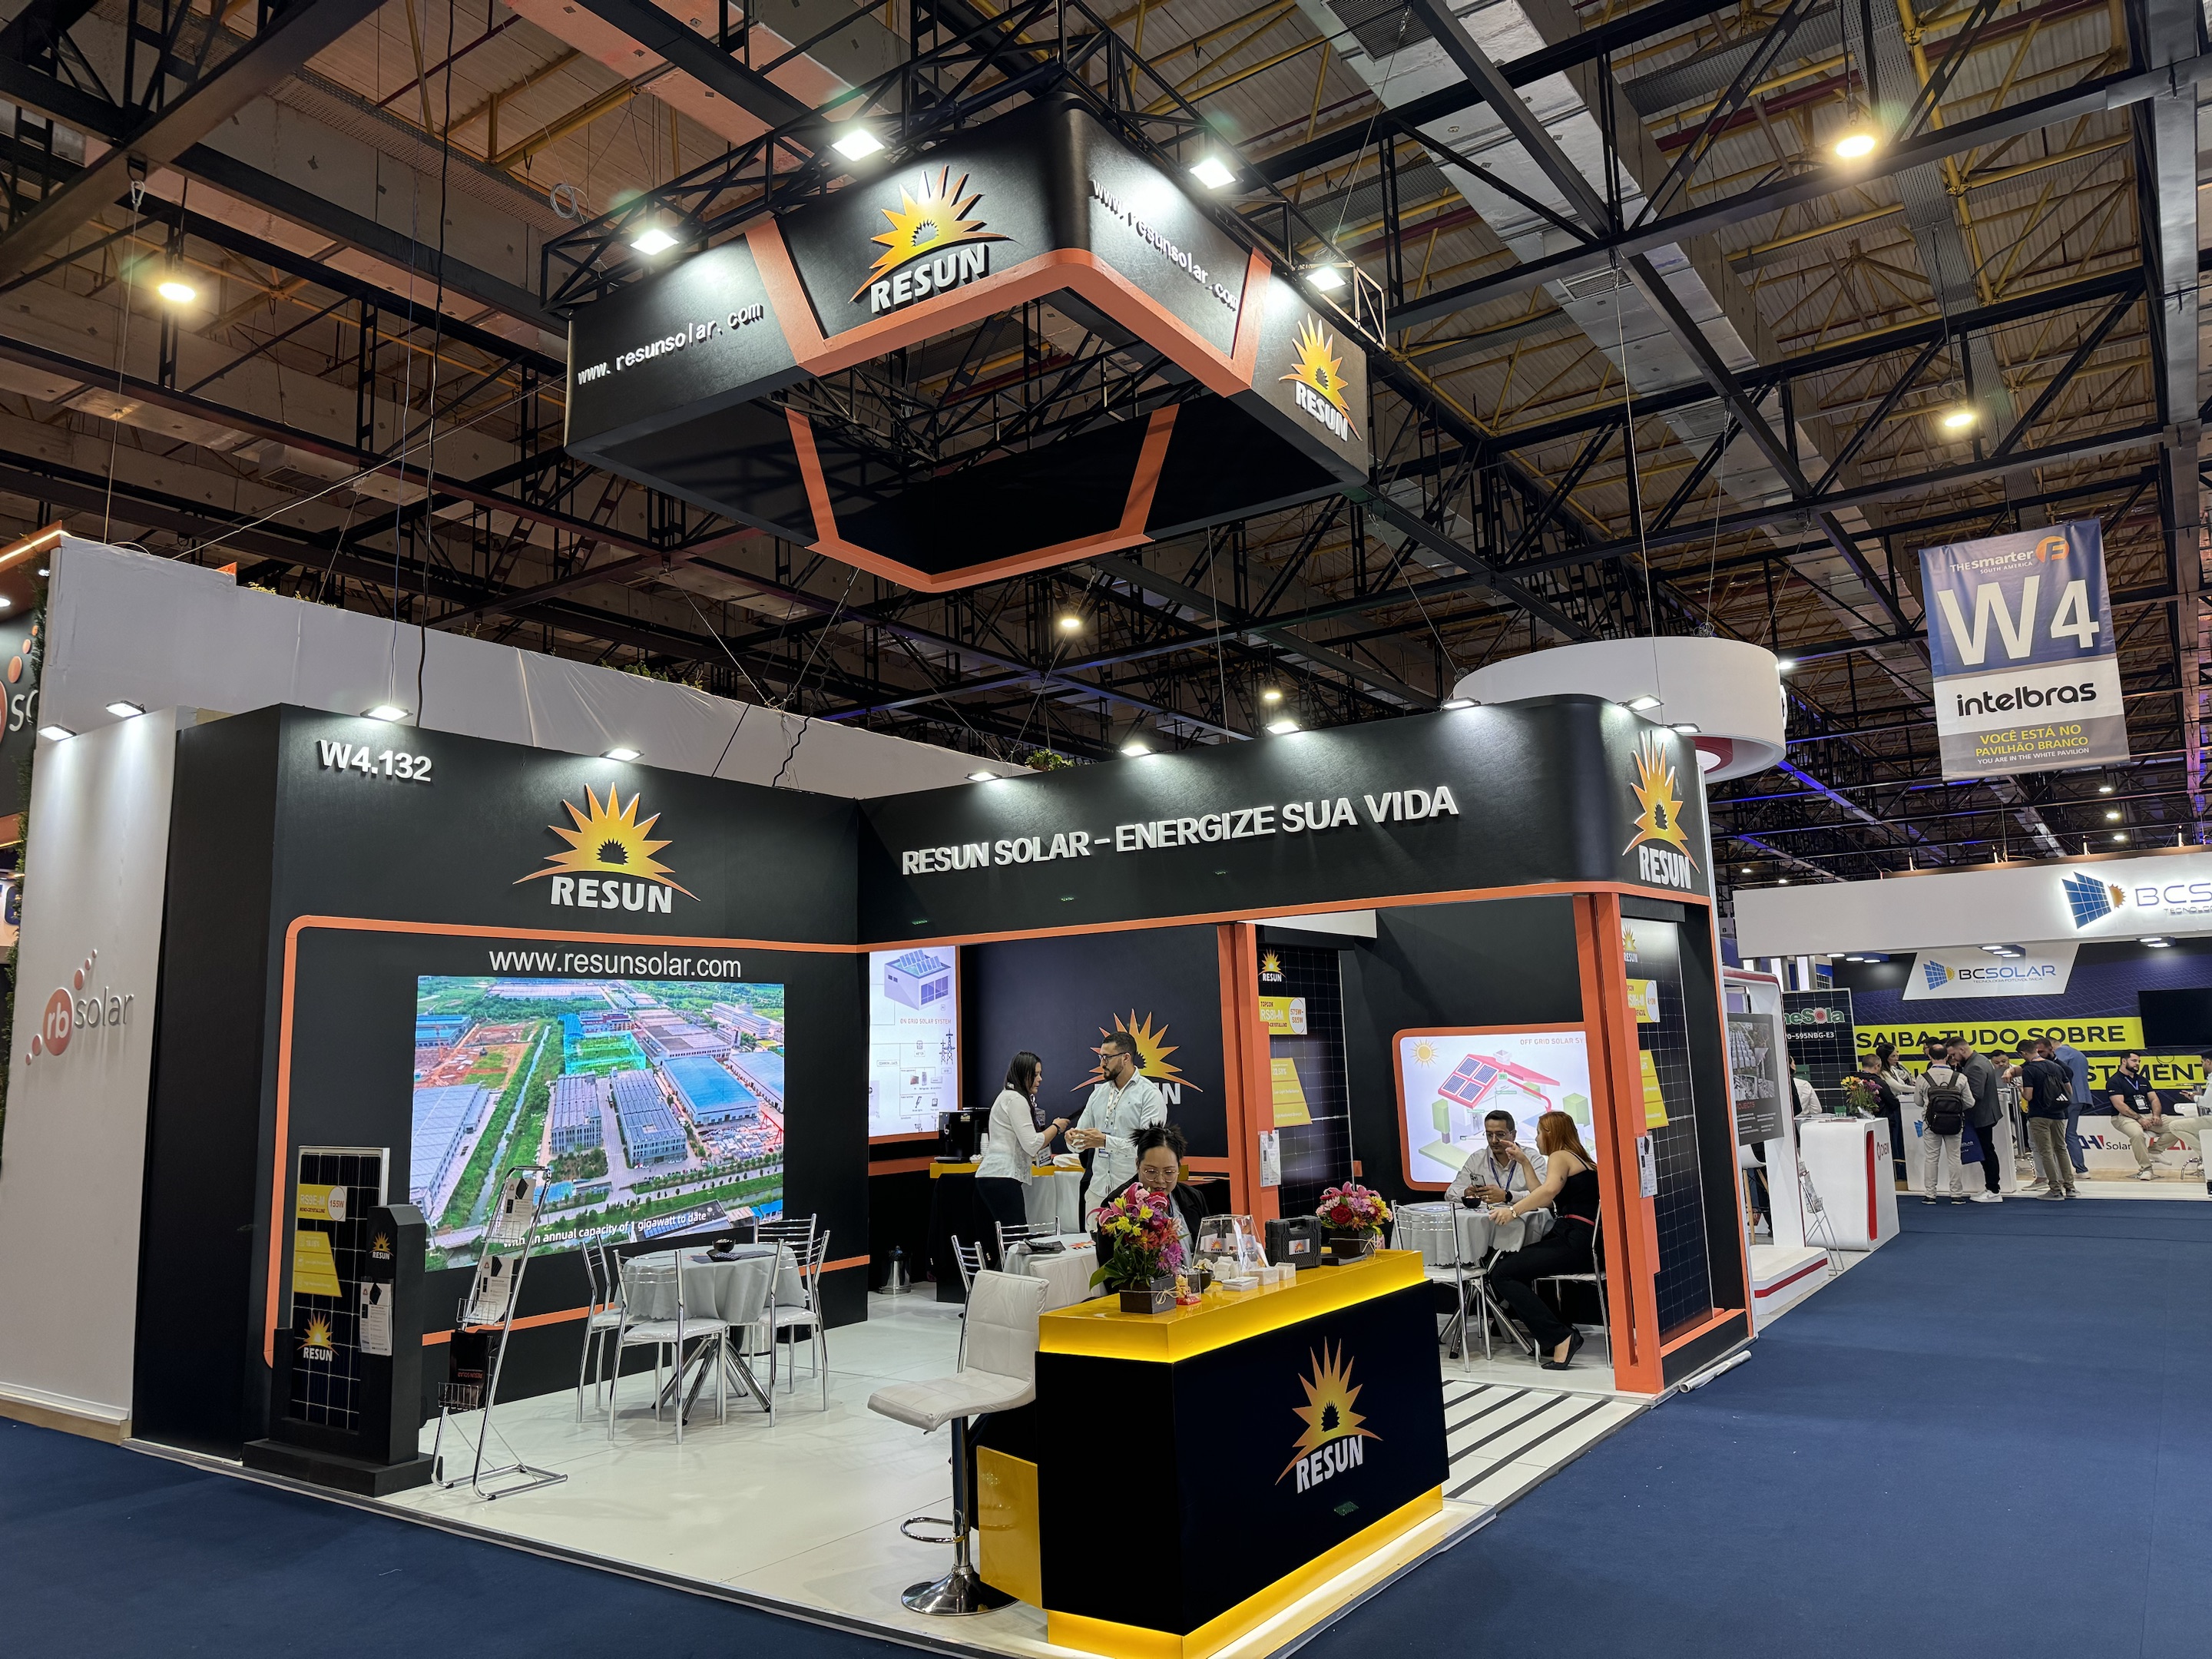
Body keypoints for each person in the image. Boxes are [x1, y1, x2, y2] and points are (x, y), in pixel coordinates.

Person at [1485, 1111, 1601, 1372]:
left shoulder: (1560, 1156)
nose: (1536, 1139)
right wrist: (1525, 1162)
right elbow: (1546, 1195)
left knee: (1502, 1273)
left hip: (1574, 1240)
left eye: (1538, 1133)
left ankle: (1561, 1337)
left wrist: (1513, 1211)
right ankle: (1558, 1332)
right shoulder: (1581, 1159)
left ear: (1550, 1133)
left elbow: (1548, 1192)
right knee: (1514, 1268)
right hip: (1582, 1240)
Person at [975, 1051, 1069, 1264]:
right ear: (1022, 1074)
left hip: (989, 1178)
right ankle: (1015, 1284)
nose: (1040, 1079)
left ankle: (995, 1282)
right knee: (1015, 1245)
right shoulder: (1016, 1100)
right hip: (1002, 1178)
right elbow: (1032, 1144)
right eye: (1035, 1074)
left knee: (999, 1247)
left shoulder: (1005, 1097)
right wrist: (1056, 1127)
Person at [1068, 1030, 1167, 1217]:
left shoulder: (1149, 1095)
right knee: (1093, 1238)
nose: (1101, 1063)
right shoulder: (1098, 1094)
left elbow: (1149, 1150)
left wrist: (1106, 1142)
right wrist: (1072, 1139)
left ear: (1126, 1058)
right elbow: (1079, 1143)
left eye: (1107, 1057)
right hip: (1097, 1193)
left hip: (1134, 1196)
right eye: (1100, 1057)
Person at [1096, 1123, 1208, 1261]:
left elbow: (1209, 1253)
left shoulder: (1194, 1197)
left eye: (1169, 1172)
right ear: (1138, 1164)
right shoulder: (1117, 1205)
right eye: (1151, 1172)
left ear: (1178, 1168)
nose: (1160, 1180)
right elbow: (1109, 1266)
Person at [2013, 1038, 2078, 1200]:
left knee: (2046, 1152)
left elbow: (2028, 1096)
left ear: (2023, 1054)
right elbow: (2069, 1090)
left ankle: (2055, 1190)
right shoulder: (2056, 1066)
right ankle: (2070, 1187)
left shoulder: (2029, 1070)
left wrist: (2020, 1088)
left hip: (2039, 1115)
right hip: (2059, 1114)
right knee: (2061, 1149)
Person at [1945, 1037, 2006, 1202]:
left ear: (1962, 1050)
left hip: (1981, 1116)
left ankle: (1993, 1189)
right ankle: (1992, 1188)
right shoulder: (1979, 1060)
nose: (1952, 1058)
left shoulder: (1975, 1066)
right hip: (1985, 1114)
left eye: (1953, 1054)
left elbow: (1975, 1095)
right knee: (1987, 1151)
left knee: (1987, 1152)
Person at [1445, 1110, 1547, 1207]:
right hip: (1488, 1217)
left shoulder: (1532, 1158)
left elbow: (1543, 1195)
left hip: (1523, 1217)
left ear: (1513, 1135)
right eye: (1489, 1135)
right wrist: (1466, 1193)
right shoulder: (1477, 1159)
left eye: (1500, 1135)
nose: (1494, 1140)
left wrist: (1508, 1196)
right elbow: (1450, 1193)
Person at [1917, 1050, 1972, 1205]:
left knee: (1931, 1158)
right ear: (1947, 1056)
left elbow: (1918, 1102)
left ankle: (1930, 1195)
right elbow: (1970, 1102)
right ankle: (1956, 1195)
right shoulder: (1960, 1077)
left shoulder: (1923, 1078)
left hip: (1931, 1123)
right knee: (1955, 1158)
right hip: (1955, 1123)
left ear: (1930, 1056)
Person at [2104, 1051, 2162, 1181]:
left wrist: (2156, 1115)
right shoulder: (2114, 1081)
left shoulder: (2142, 1080)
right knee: (2137, 1134)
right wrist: (2140, 1119)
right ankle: (2146, 1169)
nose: (2137, 1064)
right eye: (2134, 1061)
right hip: (2124, 1117)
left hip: (2147, 1114)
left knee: (2175, 1126)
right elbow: (2119, 1105)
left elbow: (2154, 1099)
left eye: (2139, 1062)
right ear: (2124, 1061)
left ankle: (2154, 1151)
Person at [1853, 1052, 1904, 1181]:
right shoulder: (1879, 1082)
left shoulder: (1853, 1082)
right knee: (1885, 1152)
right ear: (1877, 1066)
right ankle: (1892, 1176)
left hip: (1860, 1124)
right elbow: (1893, 1102)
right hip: (1882, 1123)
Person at [2049, 1035, 2092, 1177]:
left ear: (2051, 1047)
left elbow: (2056, 1073)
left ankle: (2061, 1171)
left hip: (2067, 1098)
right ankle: (2081, 1169)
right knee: (2071, 1133)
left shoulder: (2061, 1054)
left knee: (2060, 1135)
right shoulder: (2079, 1054)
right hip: (2081, 1098)